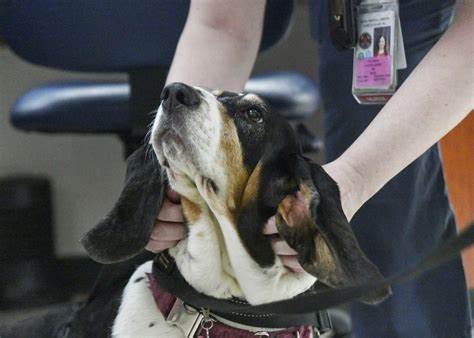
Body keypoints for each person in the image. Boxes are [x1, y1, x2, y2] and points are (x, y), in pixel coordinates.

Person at [145, 1, 473, 337]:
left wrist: (352, 181)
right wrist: (171, 168)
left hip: (421, 22)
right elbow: (223, 26)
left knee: (392, 212)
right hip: (354, 18)